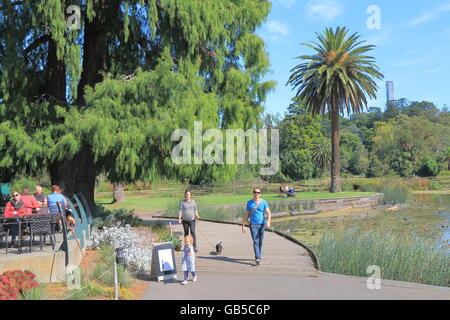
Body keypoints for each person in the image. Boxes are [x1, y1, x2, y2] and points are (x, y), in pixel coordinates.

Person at [242, 188, 272, 265]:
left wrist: (268, 222)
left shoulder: (264, 202)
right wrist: (243, 225)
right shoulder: (249, 203)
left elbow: (269, 213)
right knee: (256, 241)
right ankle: (257, 258)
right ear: (253, 193)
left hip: (262, 224)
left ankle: (259, 254)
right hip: (253, 225)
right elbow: (246, 214)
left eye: (258, 192)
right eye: (255, 192)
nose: (257, 194)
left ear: (260, 194)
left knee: (260, 241)